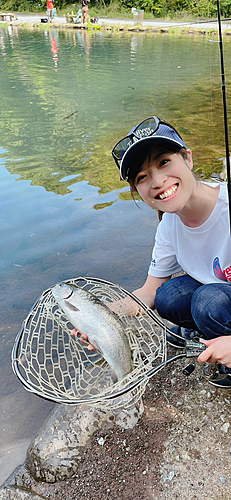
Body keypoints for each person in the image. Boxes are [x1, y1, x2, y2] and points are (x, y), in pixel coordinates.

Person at [109, 116, 231, 388]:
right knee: (168, 296)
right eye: (142, 177)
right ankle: (206, 331)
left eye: (164, 162)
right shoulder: (169, 226)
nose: (157, 181)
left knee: (207, 302)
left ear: (187, 158)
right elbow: (150, 290)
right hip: (221, 288)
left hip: (216, 295)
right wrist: (105, 315)